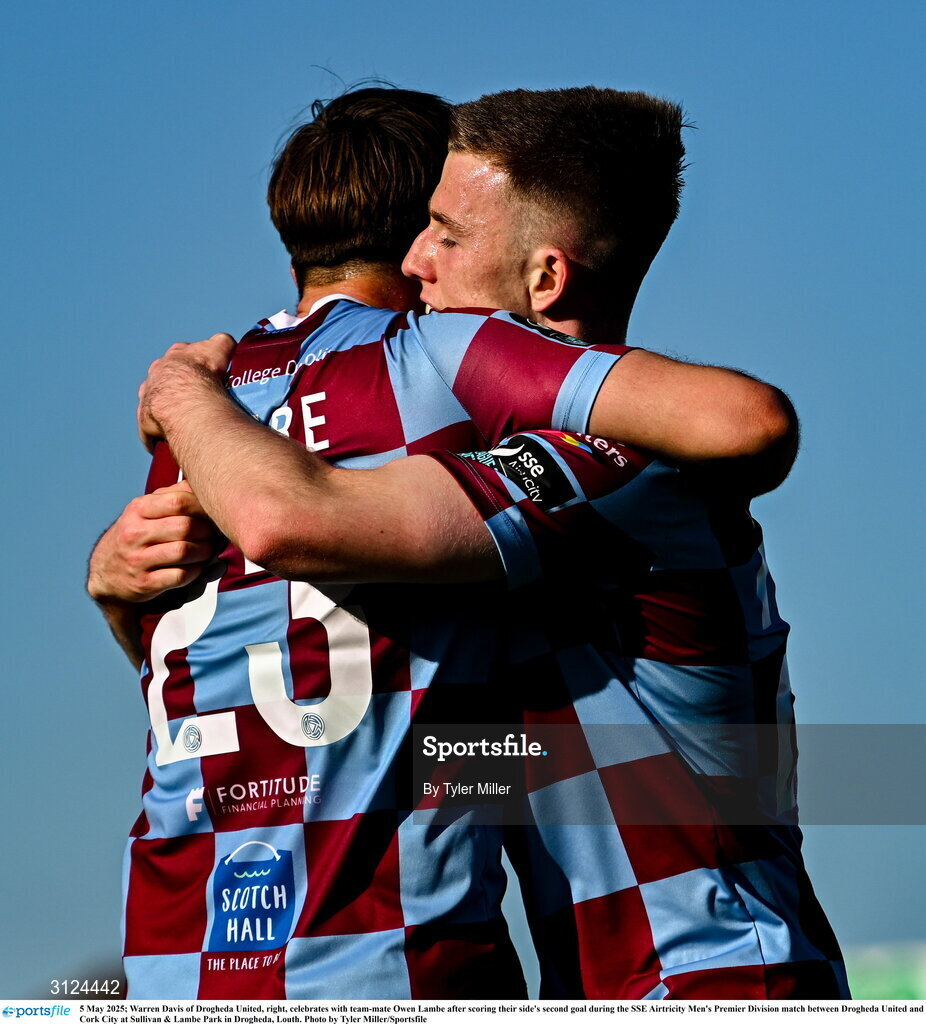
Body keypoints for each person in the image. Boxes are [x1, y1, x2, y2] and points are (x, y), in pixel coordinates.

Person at [89, 87, 825, 999]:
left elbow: (298, 520)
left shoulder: (616, 467)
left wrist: (189, 395)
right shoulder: (501, 529)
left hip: (719, 978)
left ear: (545, 280)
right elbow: (390, 735)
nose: (414, 262)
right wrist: (136, 600)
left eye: (445, 232)